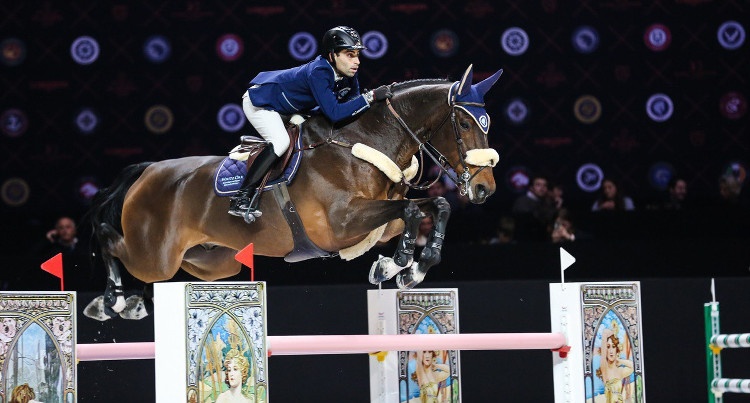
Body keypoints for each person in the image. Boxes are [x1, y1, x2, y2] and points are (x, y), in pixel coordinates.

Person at [229, 26, 393, 219]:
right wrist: (371, 97)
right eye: (349, 55)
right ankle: (242, 196)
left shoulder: (348, 71)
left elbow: (353, 105)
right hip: (263, 103)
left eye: (357, 55)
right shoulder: (319, 71)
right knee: (281, 142)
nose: (356, 61)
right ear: (332, 55)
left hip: (293, 108)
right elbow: (336, 114)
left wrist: (369, 101)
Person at [34, 216, 100, 291]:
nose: (65, 230)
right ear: (56, 231)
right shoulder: (52, 249)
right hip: (58, 288)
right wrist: (47, 240)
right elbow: (33, 257)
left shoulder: (86, 246)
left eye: (68, 227)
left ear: (75, 230)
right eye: (61, 228)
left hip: (83, 288)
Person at [595, 324, 634, 403]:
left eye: (613, 346)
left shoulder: (620, 371)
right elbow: (605, 333)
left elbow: (633, 367)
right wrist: (612, 332)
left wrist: (620, 361)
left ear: (617, 350)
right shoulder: (605, 369)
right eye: (608, 347)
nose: (611, 350)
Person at [511, 175, 557, 241]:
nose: (542, 188)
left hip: (542, 242)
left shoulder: (547, 202)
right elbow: (537, 221)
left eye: (545, 185)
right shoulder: (522, 202)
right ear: (531, 187)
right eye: (538, 185)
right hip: (524, 243)